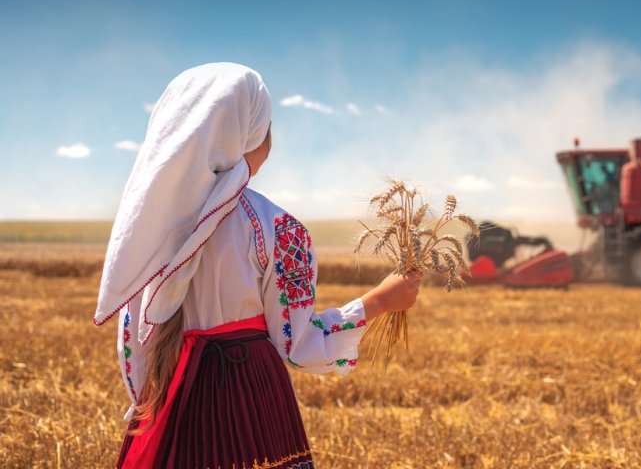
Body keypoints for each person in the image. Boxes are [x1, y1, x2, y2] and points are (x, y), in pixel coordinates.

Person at [93, 62, 420, 468]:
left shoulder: (144, 231)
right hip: (249, 401)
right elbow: (299, 346)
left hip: (168, 401)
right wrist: (376, 301)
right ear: (248, 134)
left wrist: (150, 410)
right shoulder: (277, 228)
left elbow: (134, 345)